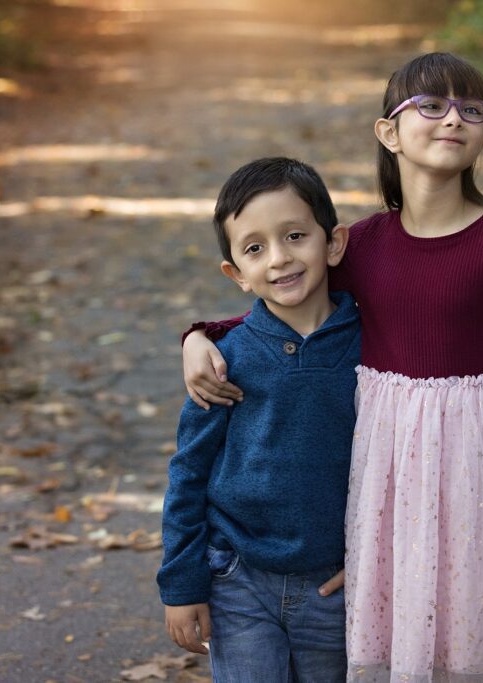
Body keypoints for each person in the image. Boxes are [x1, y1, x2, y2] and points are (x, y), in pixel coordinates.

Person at [180, 53, 483, 682]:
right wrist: (199, 336)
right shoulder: (364, 246)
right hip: (401, 482)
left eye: (471, 109)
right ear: (389, 132)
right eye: (431, 106)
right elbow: (289, 303)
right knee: (414, 645)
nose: (452, 120)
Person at [158, 157, 359, 683]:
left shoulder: (376, 348)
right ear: (236, 274)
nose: (279, 259)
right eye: (255, 248)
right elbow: (189, 474)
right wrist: (183, 585)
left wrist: (377, 559)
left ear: (333, 243)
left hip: (337, 584)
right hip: (237, 580)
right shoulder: (224, 361)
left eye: (295, 235)